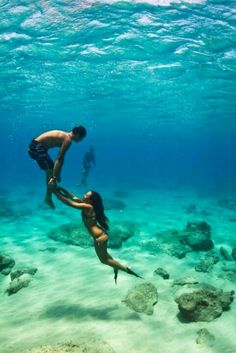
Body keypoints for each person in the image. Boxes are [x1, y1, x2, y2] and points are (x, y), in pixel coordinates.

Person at [52, 186, 142, 283]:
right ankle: (115, 266)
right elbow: (72, 197)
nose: (84, 195)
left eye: (86, 195)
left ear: (90, 200)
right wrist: (59, 188)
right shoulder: (87, 204)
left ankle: (126, 269)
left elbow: (69, 203)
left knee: (104, 260)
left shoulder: (87, 207)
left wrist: (55, 193)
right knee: (106, 256)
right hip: (101, 235)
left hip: (99, 237)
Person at [28, 126, 87, 209]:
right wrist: (55, 177)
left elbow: (61, 159)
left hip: (36, 147)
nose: (81, 140)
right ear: (77, 134)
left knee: (51, 171)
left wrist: (57, 175)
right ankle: (49, 197)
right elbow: (59, 158)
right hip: (36, 148)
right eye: (82, 138)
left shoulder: (66, 136)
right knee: (51, 171)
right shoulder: (68, 140)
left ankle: (50, 195)